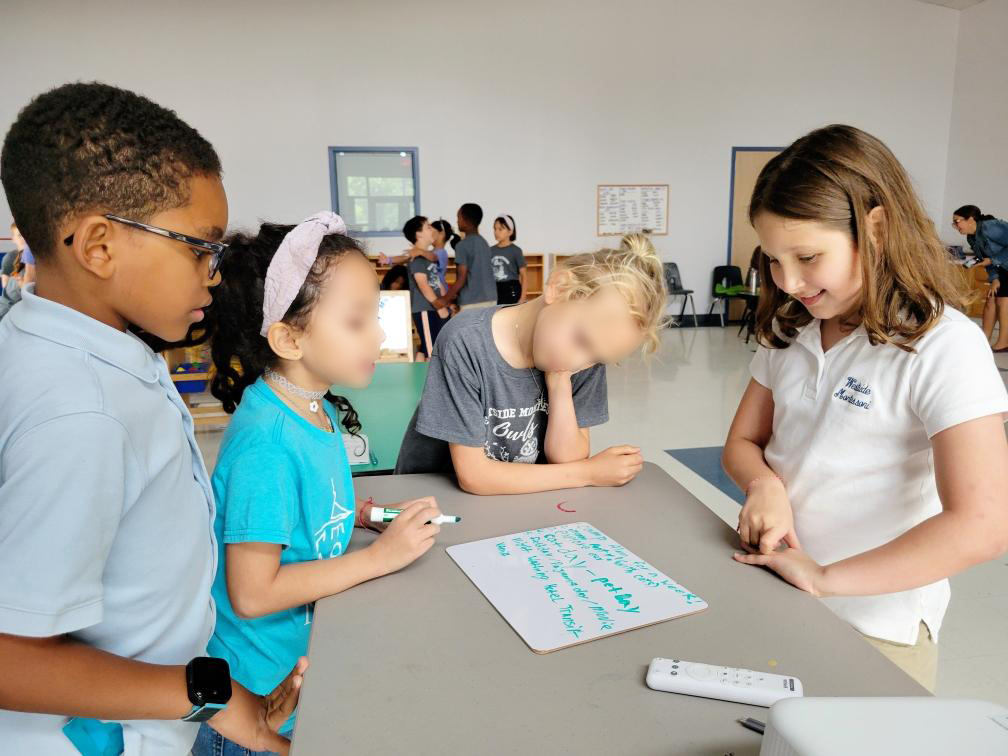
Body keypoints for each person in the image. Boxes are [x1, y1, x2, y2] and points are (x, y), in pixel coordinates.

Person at [0, 82, 305, 754]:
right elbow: (11, 656)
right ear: (99, 246)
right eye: (199, 248)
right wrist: (214, 700)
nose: (213, 274)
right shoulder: (83, 410)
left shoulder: (80, 352)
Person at [723, 125, 1008, 692]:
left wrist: (828, 578)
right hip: (782, 592)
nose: (790, 281)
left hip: (877, 625)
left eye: (807, 256)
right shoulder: (793, 329)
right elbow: (742, 444)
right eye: (774, 260)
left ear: (875, 228)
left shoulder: (942, 344)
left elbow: (984, 524)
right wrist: (764, 487)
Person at [192, 213, 442, 754]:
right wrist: (380, 559)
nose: (378, 333)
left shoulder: (314, 407)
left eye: (373, 315)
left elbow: (300, 509)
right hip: (256, 702)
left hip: (302, 666)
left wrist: (361, 515)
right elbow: (253, 594)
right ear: (288, 337)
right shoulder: (266, 446)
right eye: (356, 321)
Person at [395, 235, 667, 494]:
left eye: (597, 359)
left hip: (517, 497)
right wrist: (589, 473)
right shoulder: (465, 341)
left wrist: (559, 382)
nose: (579, 362)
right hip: (433, 498)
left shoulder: (583, 359)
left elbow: (567, 459)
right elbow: (474, 476)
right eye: (581, 341)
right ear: (558, 288)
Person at [952, 205, 1008, 347]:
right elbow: (986, 259)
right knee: (990, 300)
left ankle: (1003, 342)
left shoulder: (990, 227)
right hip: (1002, 266)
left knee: (1002, 301)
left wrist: (992, 260)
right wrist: (994, 278)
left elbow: (991, 259)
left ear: (970, 219)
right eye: (954, 223)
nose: (955, 226)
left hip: (1004, 263)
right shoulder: (972, 238)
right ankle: (983, 341)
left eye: (957, 221)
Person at [402, 215, 450, 360]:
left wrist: (445, 303)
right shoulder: (417, 258)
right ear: (419, 234)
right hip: (425, 310)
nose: (432, 230)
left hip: (434, 308)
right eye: (428, 227)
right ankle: (430, 383)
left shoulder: (427, 257)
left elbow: (437, 283)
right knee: (432, 353)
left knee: (427, 347)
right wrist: (438, 305)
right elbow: (423, 285)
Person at [435, 203, 496, 311]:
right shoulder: (484, 243)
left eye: (458, 217)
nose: (457, 221)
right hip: (491, 298)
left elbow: (461, 278)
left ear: (466, 220)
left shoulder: (462, 245)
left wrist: (445, 299)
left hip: (471, 301)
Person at [491, 213, 526, 304]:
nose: (496, 232)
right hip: (494, 290)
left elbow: (524, 276)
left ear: (510, 232)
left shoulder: (516, 251)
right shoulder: (490, 250)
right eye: (495, 229)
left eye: (500, 229)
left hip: (511, 290)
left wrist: (522, 298)